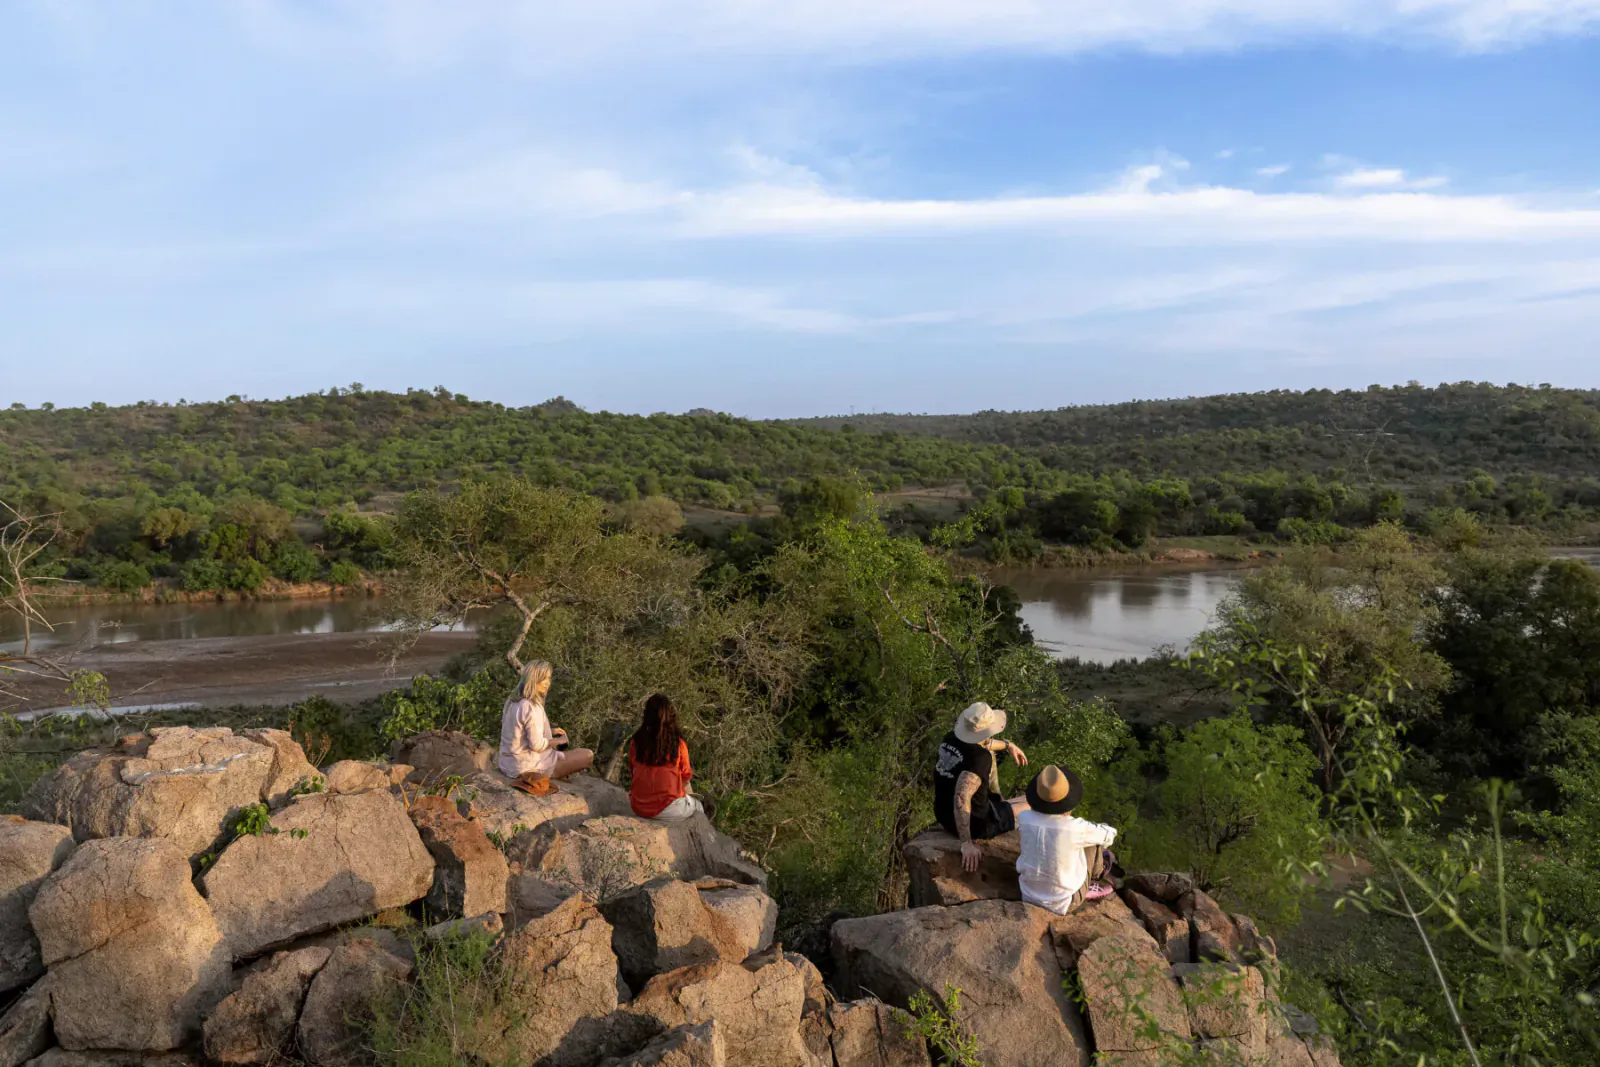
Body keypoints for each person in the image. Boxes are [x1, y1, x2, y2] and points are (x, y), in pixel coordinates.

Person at [933, 701, 1031, 873]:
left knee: (1017, 801)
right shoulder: (980, 759)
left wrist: (1009, 746)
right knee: (1033, 803)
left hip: (943, 814)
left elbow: (983, 743)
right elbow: (961, 798)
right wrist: (966, 843)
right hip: (977, 823)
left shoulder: (950, 738)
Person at [1014, 764, 1118, 915]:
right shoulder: (1075, 827)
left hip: (1027, 894)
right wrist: (1099, 827)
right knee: (1093, 844)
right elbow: (1109, 835)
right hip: (1062, 903)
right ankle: (1091, 881)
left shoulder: (1024, 818)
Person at [497, 660, 593, 795]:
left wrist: (550, 732)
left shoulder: (512, 701)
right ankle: (553, 773)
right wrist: (559, 741)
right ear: (534, 679)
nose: (548, 682)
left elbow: (516, 730)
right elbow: (536, 745)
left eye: (549, 678)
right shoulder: (531, 706)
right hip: (527, 766)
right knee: (587, 755)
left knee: (567, 754)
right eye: (545, 678)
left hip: (508, 763)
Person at [626, 693, 703, 822]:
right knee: (699, 807)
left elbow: (633, 772)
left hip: (638, 807)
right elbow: (686, 777)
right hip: (669, 808)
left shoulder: (637, 741)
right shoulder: (677, 743)